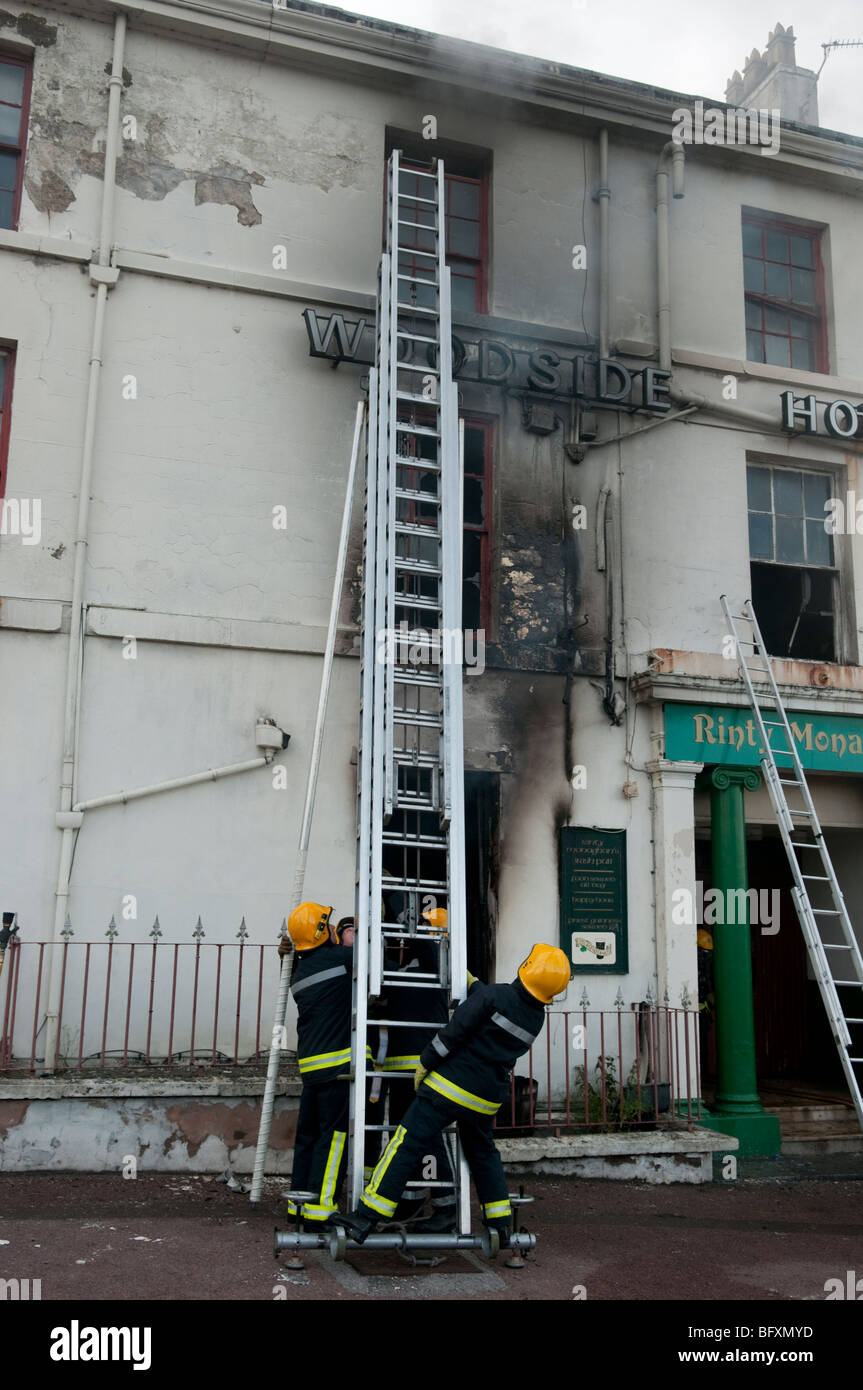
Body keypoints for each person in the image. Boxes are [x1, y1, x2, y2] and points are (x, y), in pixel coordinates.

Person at [340, 942, 571, 1246]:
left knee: (406, 1142)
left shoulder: (494, 996)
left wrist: (425, 1063)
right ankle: (500, 1223)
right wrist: (472, 982)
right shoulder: (534, 1017)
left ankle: (367, 1215)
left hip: (449, 1088)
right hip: (486, 1100)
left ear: (527, 966)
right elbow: (493, 1004)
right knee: (484, 1154)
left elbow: (454, 1033)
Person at [279, 902, 354, 1227]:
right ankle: (320, 1210)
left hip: (310, 1067)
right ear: (325, 932)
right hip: (338, 1067)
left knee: (307, 1136)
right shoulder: (342, 961)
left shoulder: (299, 970)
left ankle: (298, 1205)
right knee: (333, 1138)